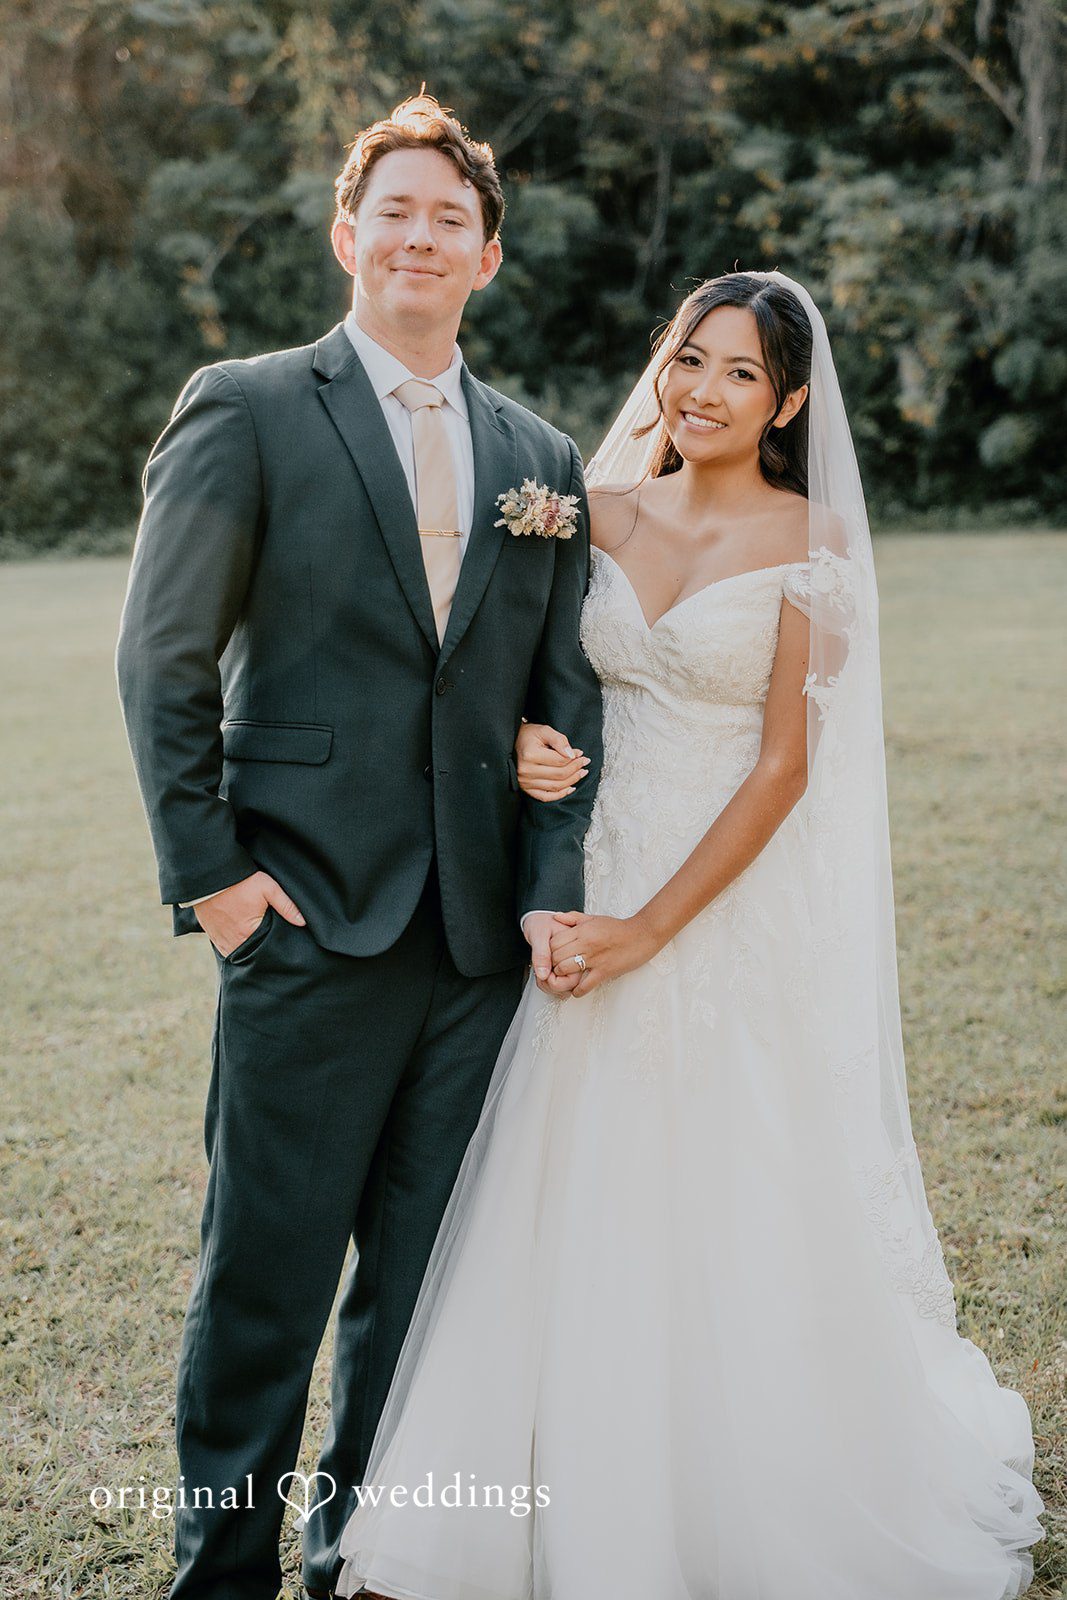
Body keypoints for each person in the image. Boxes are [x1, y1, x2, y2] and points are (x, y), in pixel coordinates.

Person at [333, 271, 1043, 1600]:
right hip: (583, 883)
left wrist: (653, 928)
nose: (701, 391)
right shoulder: (580, 511)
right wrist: (526, 747)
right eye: (686, 359)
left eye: (736, 374)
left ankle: (731, 1492)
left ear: (784, 403)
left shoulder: (813, 541)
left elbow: (783, 769)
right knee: (559, 1170)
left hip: (714, 896)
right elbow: (493, 666)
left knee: (727, 1181)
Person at [115, 94, 602, 1600]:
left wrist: (548, 888)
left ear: (489, 257)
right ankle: (227, 1570)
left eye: (449, 217)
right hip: (305, 923)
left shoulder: (542, 454)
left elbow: (562, 706)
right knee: (263, 1284)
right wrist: (217, 883)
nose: (419, 235)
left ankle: (367, 1559)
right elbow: (162, 659)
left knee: (419, 1294)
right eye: (393, 209)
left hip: (473, 953)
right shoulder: (249, 406)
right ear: (348, 235)